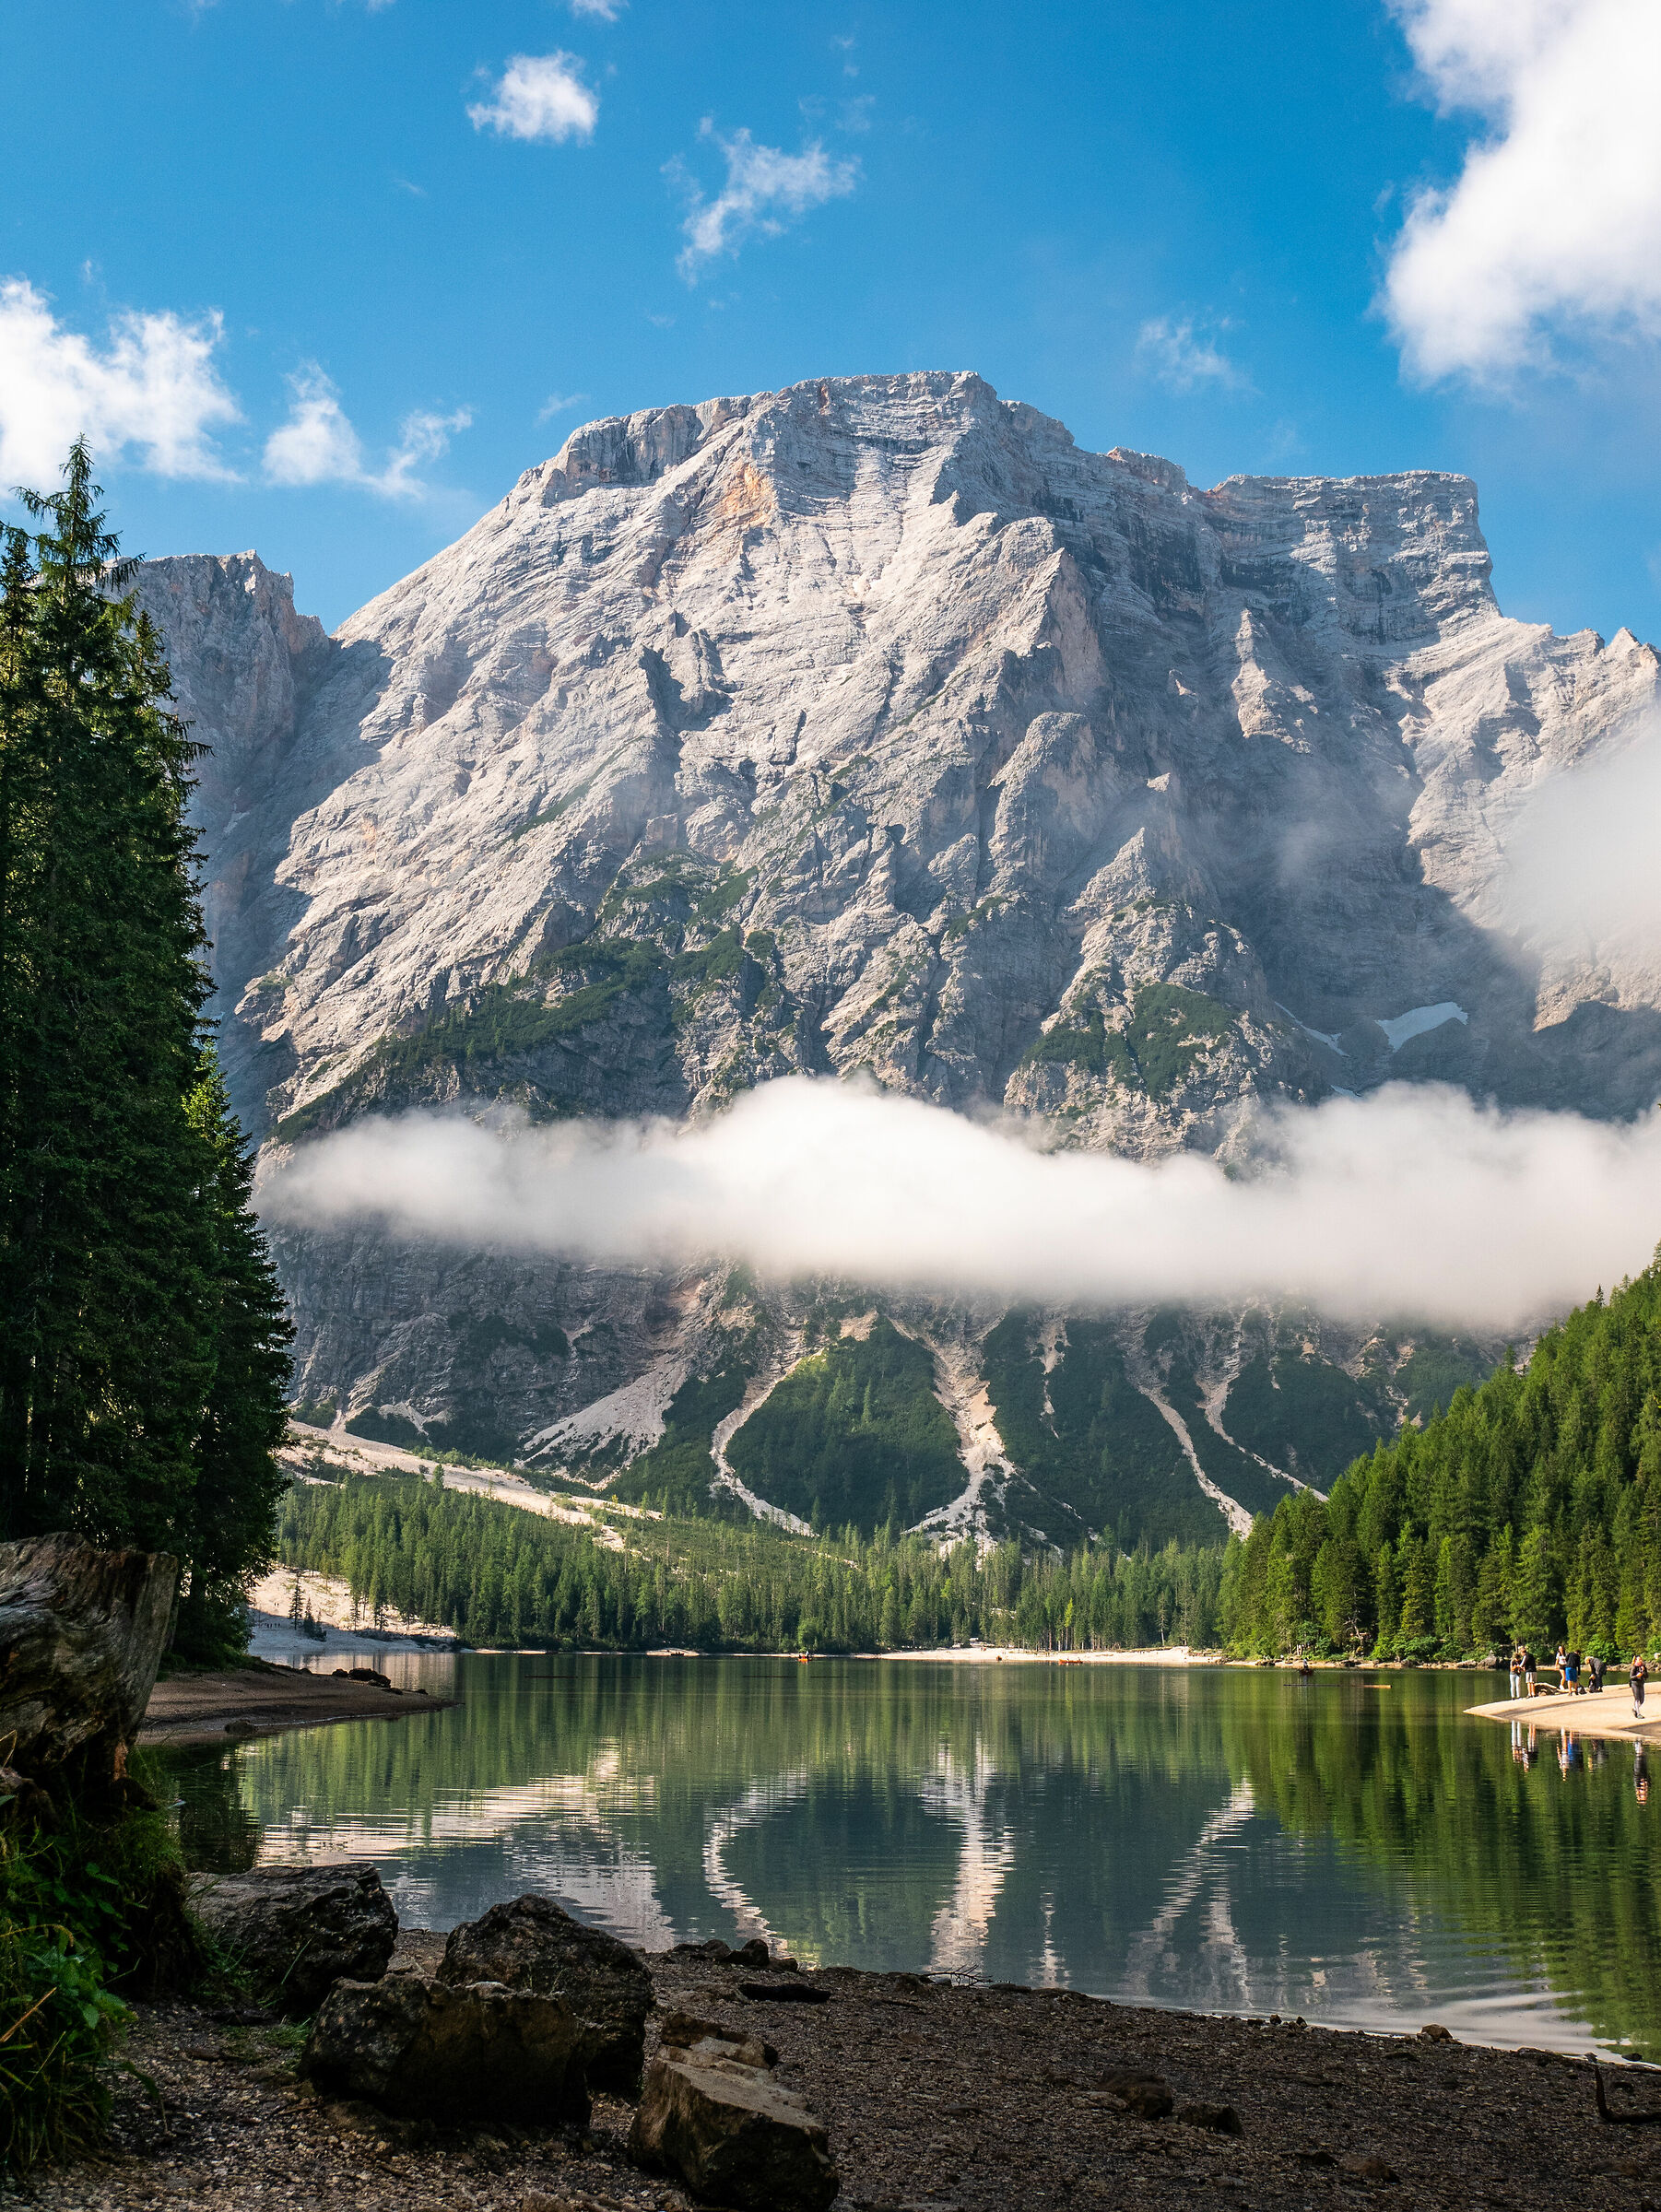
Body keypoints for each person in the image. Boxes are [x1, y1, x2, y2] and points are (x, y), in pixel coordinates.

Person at [1632, 1652, 1648, 1724]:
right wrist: (1637, 1676)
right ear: (1636, 1660)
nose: (1640, 1661)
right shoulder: (1634, 1667)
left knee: (1642, 1699)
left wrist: (1644, 1671)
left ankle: (1635, 1708)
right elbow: (1631, 1677)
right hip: (1634, 1683)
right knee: (1637, 1698)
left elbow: (1647, 1676)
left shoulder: (1643, 1667)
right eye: (1638, 1659)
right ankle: (1638, 1714)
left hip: (1641, 1684)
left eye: (1641, 1659)